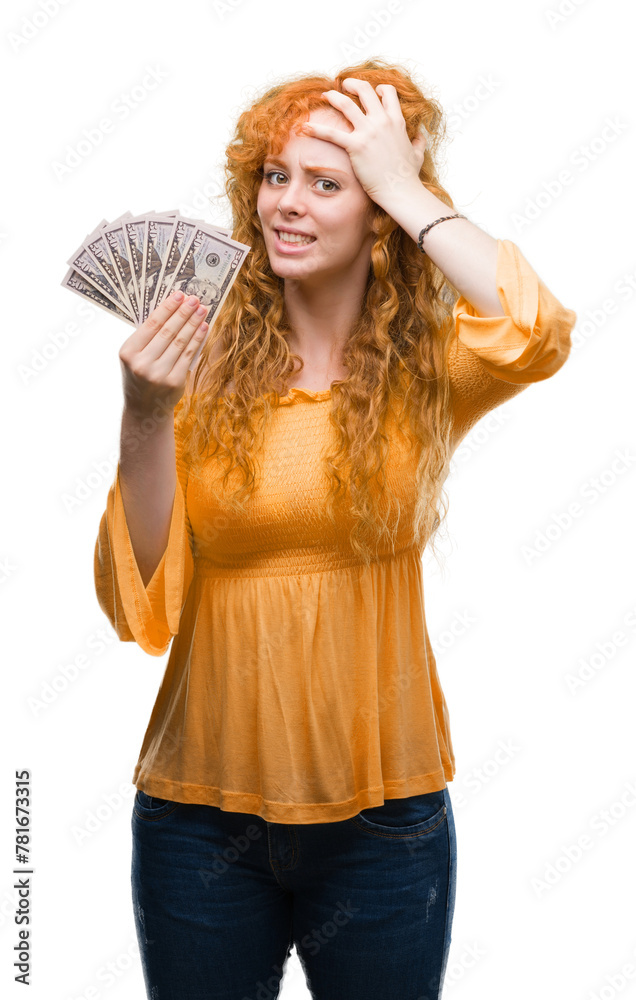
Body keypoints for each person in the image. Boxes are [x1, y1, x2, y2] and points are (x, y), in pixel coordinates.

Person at [94, 57, 577, 1000]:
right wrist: (145, 414)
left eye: (328, 182)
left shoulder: (430, 370)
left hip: (385, 825)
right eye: (277, 176)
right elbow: (140, 603)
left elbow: (539, 327)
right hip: (198, 824)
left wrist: (404, 182)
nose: (289, 204)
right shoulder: (195, 355)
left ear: (382, 213)